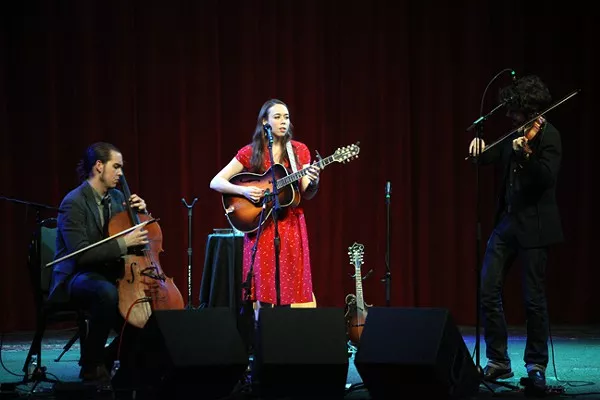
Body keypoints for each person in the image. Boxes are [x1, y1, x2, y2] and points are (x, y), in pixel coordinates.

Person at [468, 75, 563, 392]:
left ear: (529, 110)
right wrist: (478, 149)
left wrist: (528, 155)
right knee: (487, 288)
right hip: (507, 224)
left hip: (534, 228)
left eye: (514, 112)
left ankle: (536, 365)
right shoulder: (513, 137)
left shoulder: (549, 137)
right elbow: (486, 157)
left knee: (533, 299)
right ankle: (498, 361)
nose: (509, 117)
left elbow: (547, 179)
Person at [48, 142, 149, 387]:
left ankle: (108, 359)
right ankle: (92, 365)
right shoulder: (73, 202)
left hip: (108, 273)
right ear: (99, 166)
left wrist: (143, 214)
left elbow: (136, 238)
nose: (121, 173)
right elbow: (80, 255)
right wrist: (124, 244)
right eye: (116, 167)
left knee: (143, 309)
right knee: (105, 293)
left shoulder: (117, 198)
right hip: (76, 276)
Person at [209, 98, 320, 319]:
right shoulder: (252, 152)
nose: (283, 122)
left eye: (286, 117)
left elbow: (306, 191)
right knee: (264, 289)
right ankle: (262, 342)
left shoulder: (298, 150)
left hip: (290, 225)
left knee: (287, 289)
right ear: (265, 122)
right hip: (262, 225)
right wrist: (245, 191)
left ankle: (283, 343)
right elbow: (216, 182)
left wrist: (314, 179)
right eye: (277, 117)